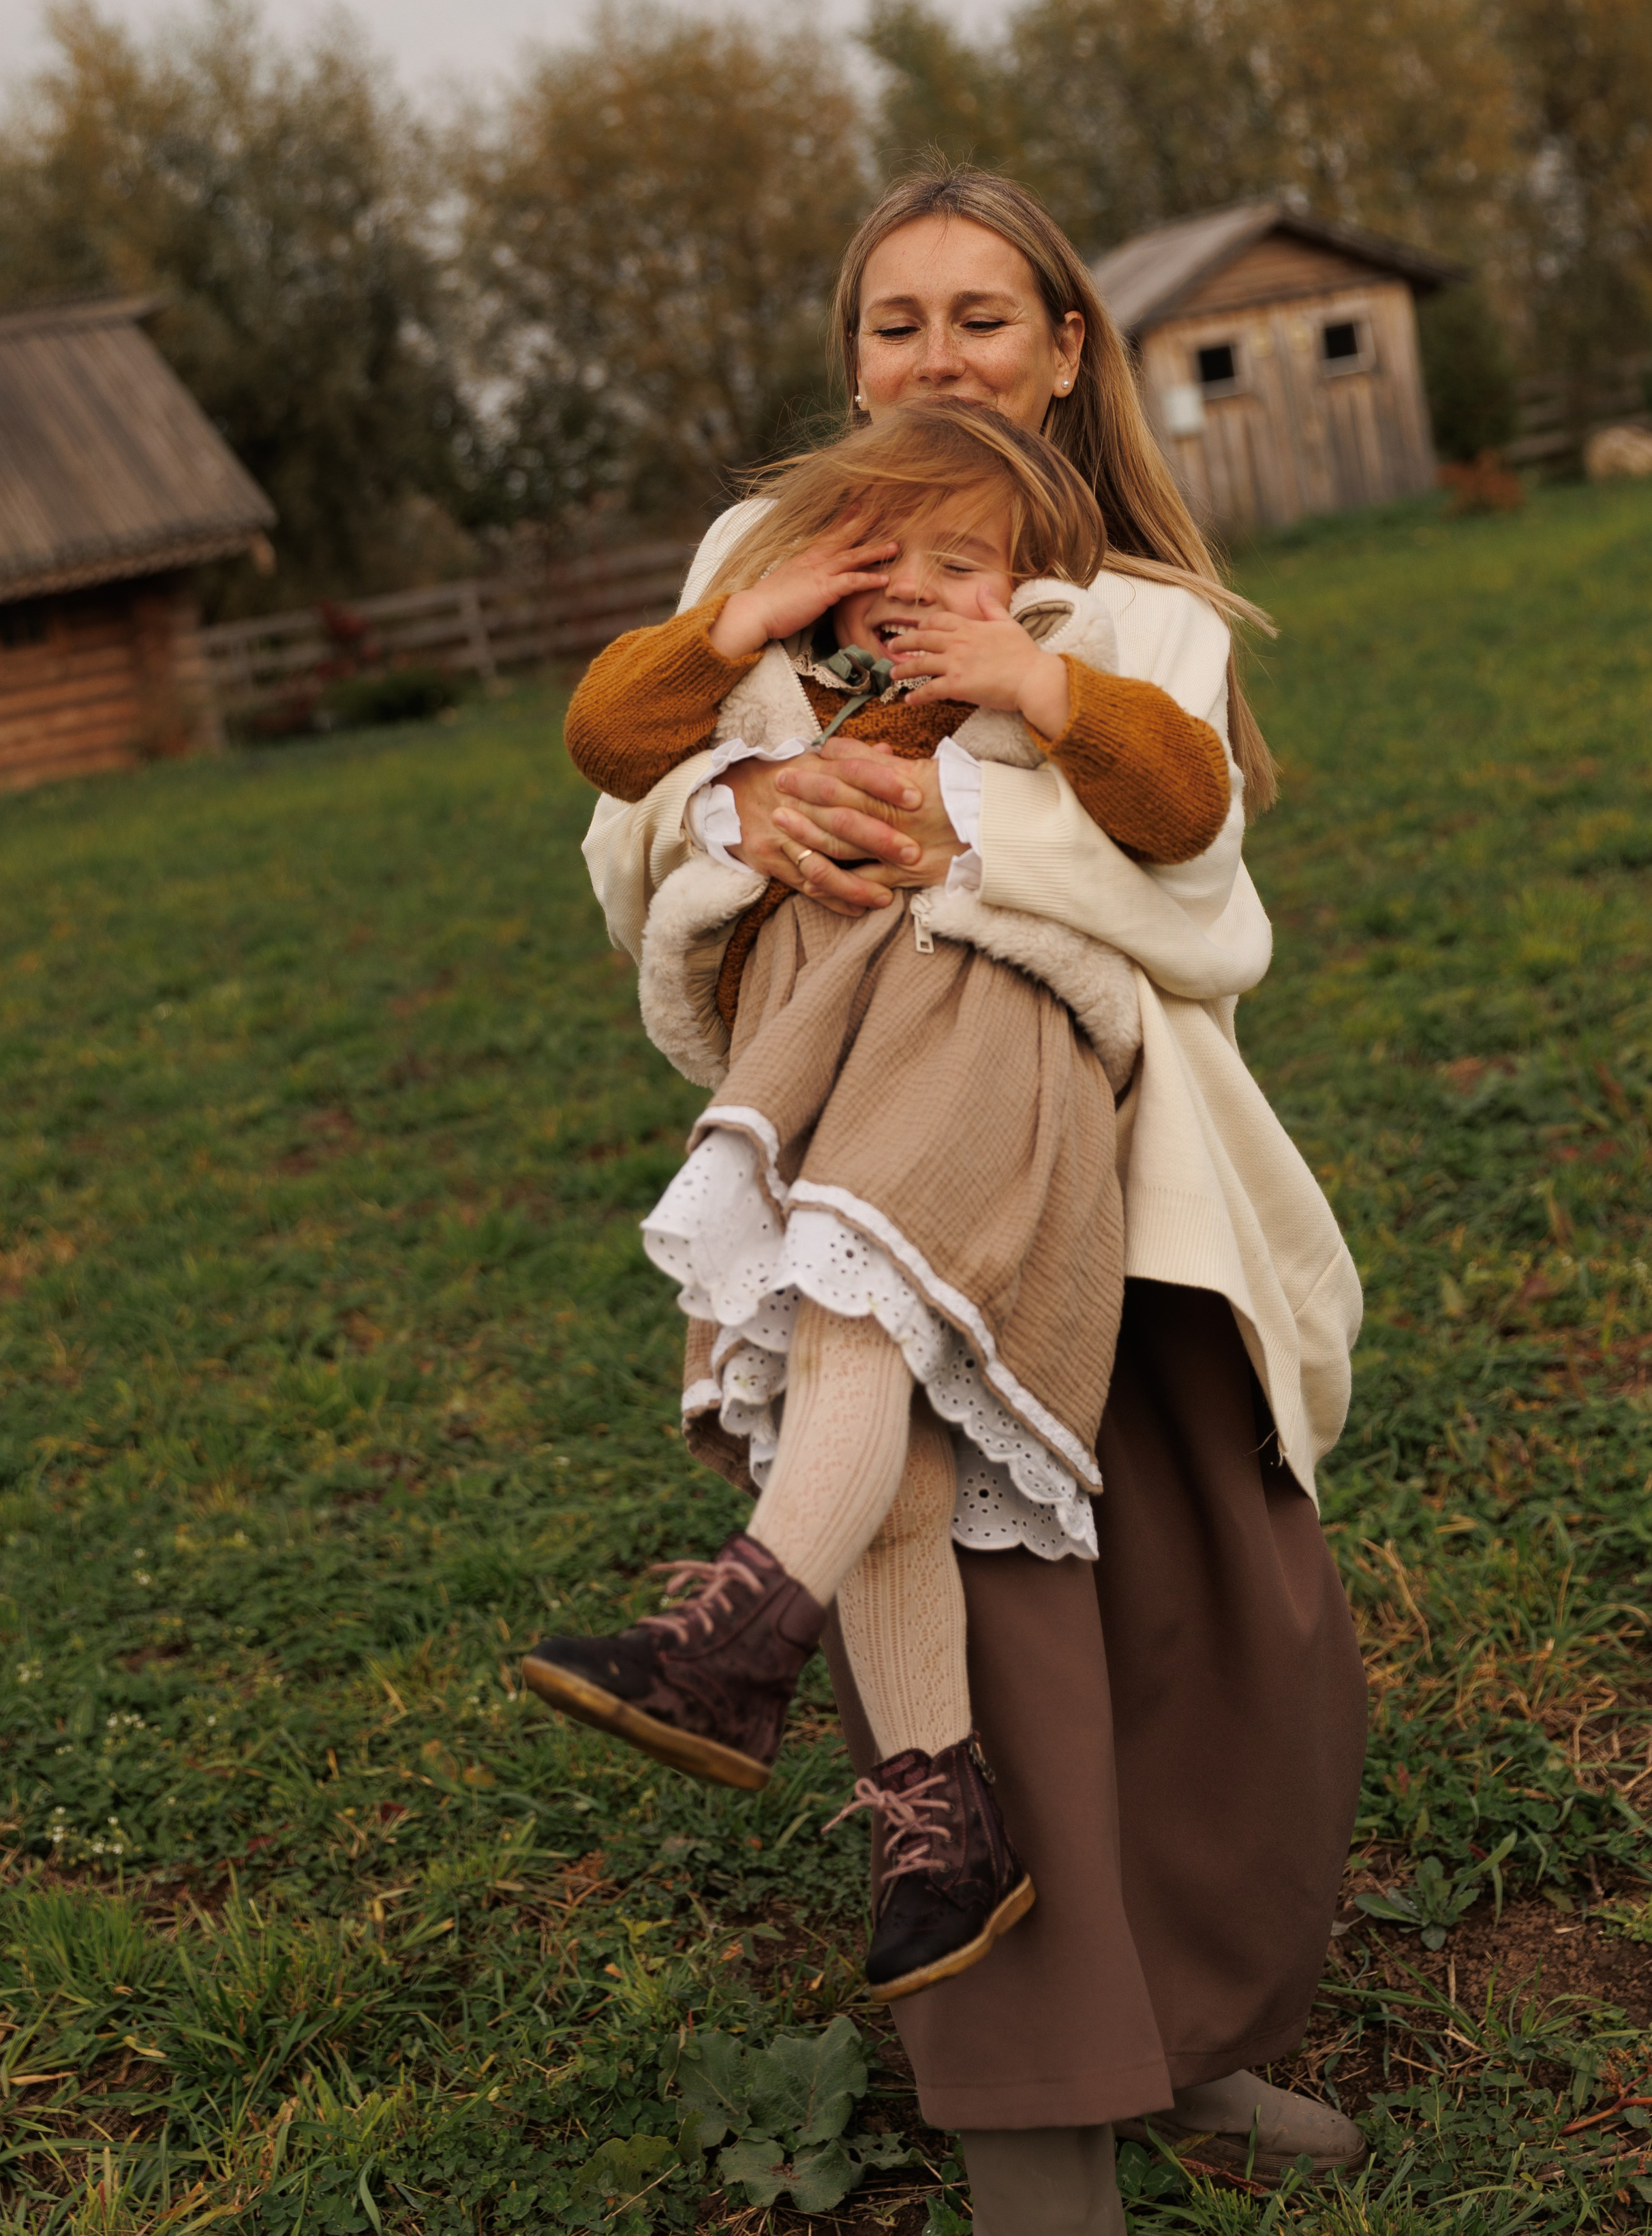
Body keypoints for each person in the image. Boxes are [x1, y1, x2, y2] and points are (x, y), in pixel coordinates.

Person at [572, 168, 1371, 2235]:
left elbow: (1200, 892)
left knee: (1225, 1617)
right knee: (989, 1623)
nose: (939, 356)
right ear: (853, 358)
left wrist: (966, 813)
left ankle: (1187, 2036)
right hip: (880, 1128)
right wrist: (754, 803)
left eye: (983, 317)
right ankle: (1038, 2139)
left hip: (1131, 1164)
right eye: (896, 322)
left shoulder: (1121, 611)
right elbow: (630, 819)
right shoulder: (774, 571)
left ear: (1068, 348)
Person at [527, 401, 1232, 2005]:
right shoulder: (783, 687)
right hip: (827, 1062)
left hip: (976, 1039)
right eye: (875, 562)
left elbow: (1183, 803)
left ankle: (731, 1645)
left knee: (852, 1305)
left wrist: (1029, 676)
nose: (913, 593)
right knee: (884, 1449)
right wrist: (746, 619)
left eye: (959, 564)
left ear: (1032, 580)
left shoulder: (1055, 667)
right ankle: (942, 1825)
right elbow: (606, 740)